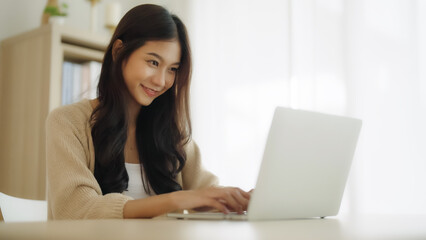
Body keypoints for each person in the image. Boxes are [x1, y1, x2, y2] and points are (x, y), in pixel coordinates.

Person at [46, 4, 250, 219]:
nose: (161, 81)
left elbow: (207, 194)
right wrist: (175, 200)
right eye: (153, 62)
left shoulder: (172, 132)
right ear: (118, 51)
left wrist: (242, 199)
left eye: (172, 69)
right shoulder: (67, 122)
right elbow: (76, 208)